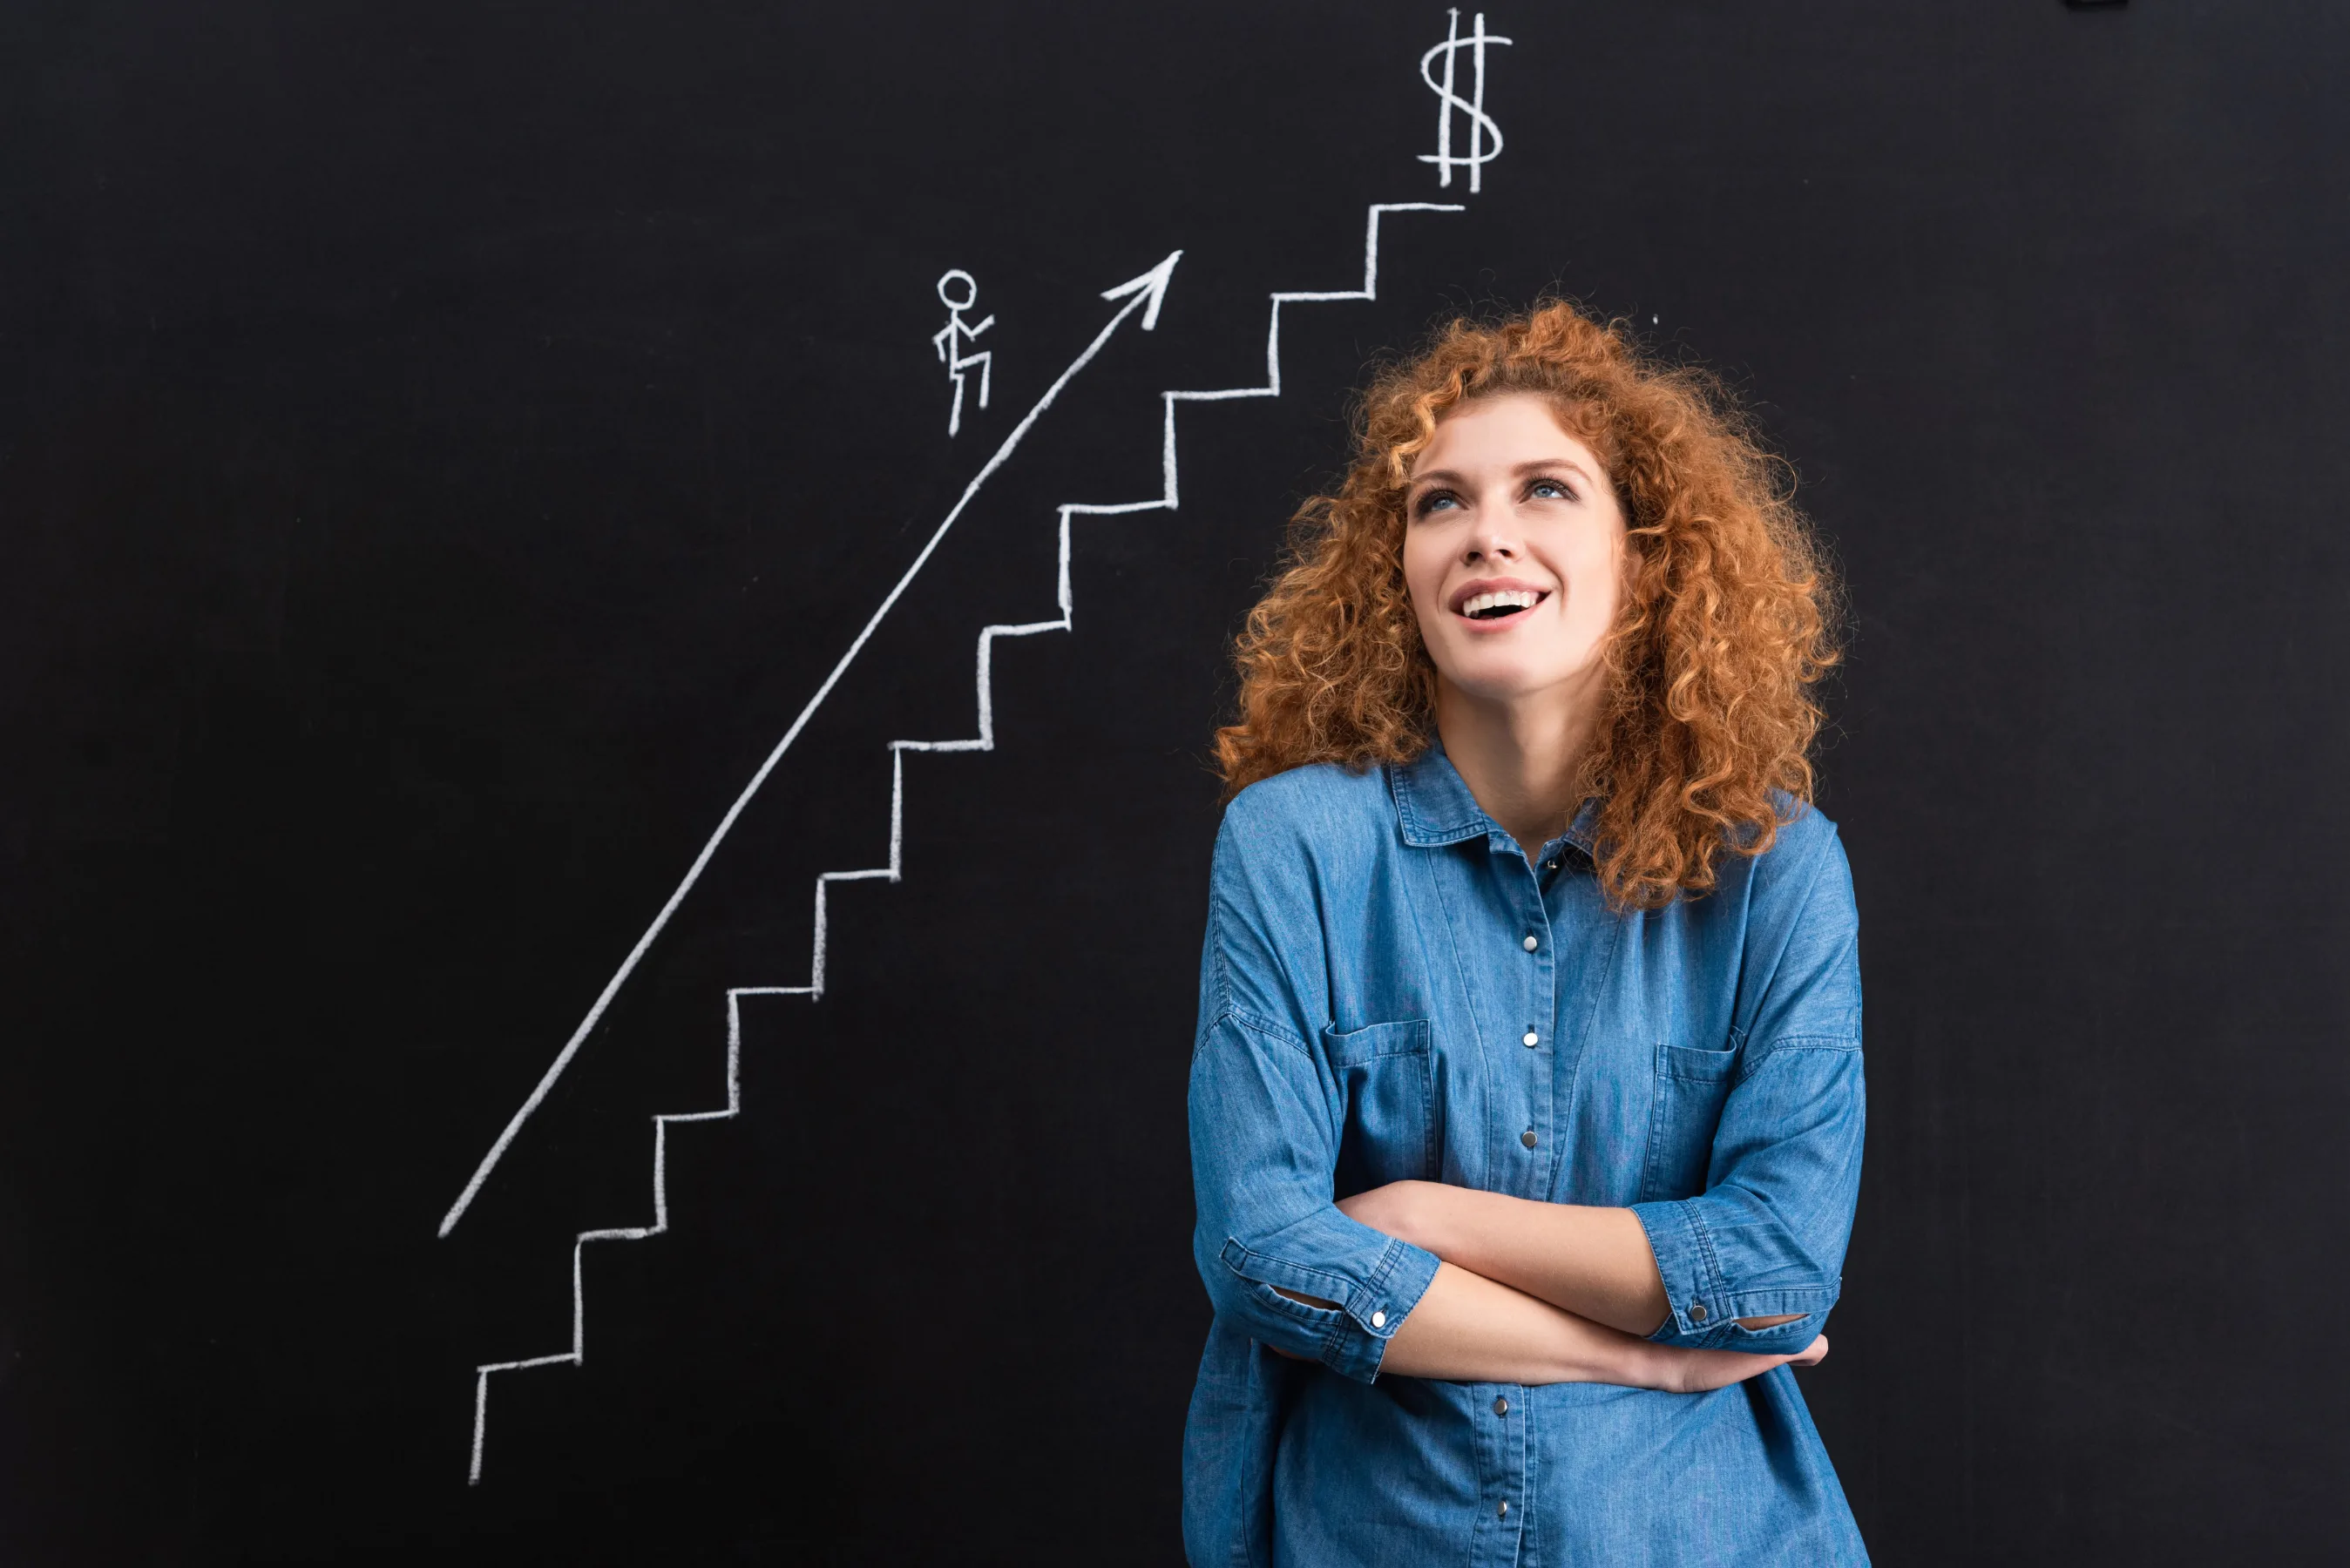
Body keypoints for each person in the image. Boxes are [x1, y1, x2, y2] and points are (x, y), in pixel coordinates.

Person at [1184, 301, 1866, 1565]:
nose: (1486, 534)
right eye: (1439, 502)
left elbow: (1779, 1277)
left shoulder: (1776, 868)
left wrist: (1415, 1219)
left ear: (1649, 557)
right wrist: (1642, 1359)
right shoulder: (1293, 848)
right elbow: (1261, 1250)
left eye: (1545, 489)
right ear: (1393, 571)